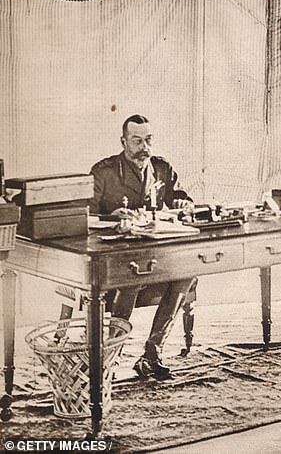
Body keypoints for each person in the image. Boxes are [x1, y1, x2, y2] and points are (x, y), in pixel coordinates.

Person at [89, 114, 194, 379]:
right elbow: (84, 216)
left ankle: (152, 353)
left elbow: (181, 196)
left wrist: (182, 203)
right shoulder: (104, 172)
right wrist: (112, 217)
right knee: (133, 277)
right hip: (113, 261)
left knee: (187, 273)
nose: (144, 148)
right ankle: (110, 357)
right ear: (123, 141)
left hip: (152, 256)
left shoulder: (161, 168)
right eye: (137, 141)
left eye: (148, 140)